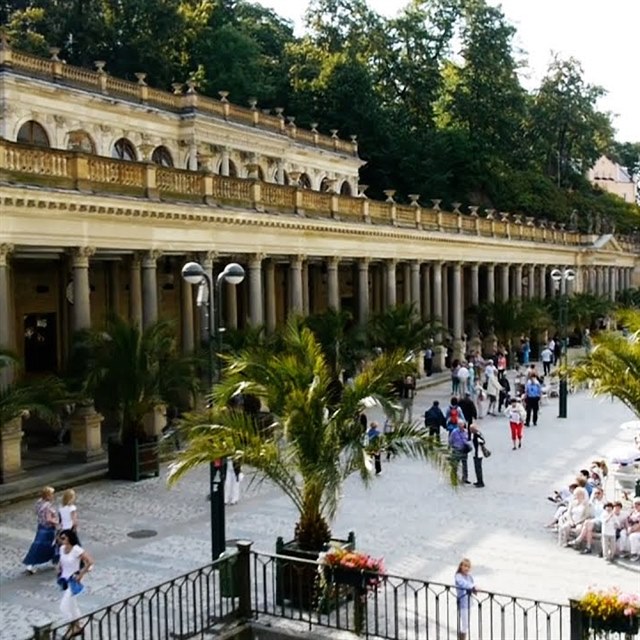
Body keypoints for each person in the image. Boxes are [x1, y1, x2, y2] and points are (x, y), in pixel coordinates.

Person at [57, 528, 94, 638]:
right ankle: (79, 626)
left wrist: (81, 574)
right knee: (73, 605)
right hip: (64, 579)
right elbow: (62, 561)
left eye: (63, 538)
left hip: (73, 580)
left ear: (69, 539)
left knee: (63, 606)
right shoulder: (62, 548)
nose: (61, 540)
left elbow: (90, 561)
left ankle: (73, 626)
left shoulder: (76, 550)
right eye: (60, 538)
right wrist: (59, 569)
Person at [23, 486, 59, 575]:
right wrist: (57, 522)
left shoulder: (39, 503)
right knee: (51, 544)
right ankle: (53, 561)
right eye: (51, 494)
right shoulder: (47, 506)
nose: (53, 496)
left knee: (39, 544)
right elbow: (48, 519)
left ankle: (52, 560)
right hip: (48, 528)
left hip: (41, 526)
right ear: (48, 496)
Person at [454, 558, 477, 640]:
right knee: (465, 623)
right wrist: (472, 587)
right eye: (465, 566)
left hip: (468, 602)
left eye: (468, 567)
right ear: (461, 566)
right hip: (462, 602)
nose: (466, 568)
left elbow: (472, 584)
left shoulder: (469, 576)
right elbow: (463, 584)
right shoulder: (458, 576)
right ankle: (462, 637)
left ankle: (463, 636)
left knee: (467, 622)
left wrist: (474, 589)